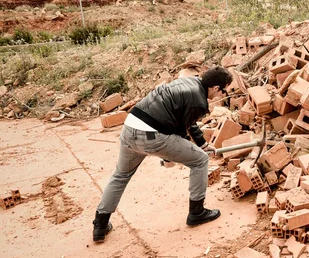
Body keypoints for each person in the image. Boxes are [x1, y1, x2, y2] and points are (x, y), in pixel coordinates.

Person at [92, 66, 233, 243]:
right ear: (215, 88)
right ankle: (197, 213)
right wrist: (168, 157)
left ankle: (100, 225)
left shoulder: (188, 82)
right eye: (223, 91)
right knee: (200, 161)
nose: (222, 95)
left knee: (120, 175)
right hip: (152, 135)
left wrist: (203, 144)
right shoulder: (199, 102)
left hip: (129, 129)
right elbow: (179, 132)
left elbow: (186, 122)